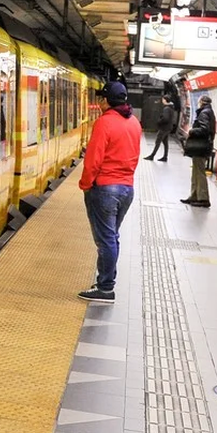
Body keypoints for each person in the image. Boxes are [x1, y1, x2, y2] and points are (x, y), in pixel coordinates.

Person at [77, 82, 142, 303]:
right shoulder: (134, 122)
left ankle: (105, 288)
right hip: (126, 188)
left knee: (105, 240)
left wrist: (86, 184)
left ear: (106, 101)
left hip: (105, 188)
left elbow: (93, 159)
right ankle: (105, 281)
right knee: (111, 237)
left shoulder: (104, 123)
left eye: (101, 98)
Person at [182, 95, 217, 208]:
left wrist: (192, 131)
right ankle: (194, 196)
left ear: (201, 102)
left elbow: (204, 129)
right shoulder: (208, 111)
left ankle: (203, 198)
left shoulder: (204, 113)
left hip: (201, 146)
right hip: (203, 146)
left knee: (199, 172)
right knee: (196, 172)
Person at [144, 95, 177, 162]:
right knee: (165, 142)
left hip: (164, 128)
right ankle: (165, 157)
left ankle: (152, 156)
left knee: (158, 142)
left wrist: (159, 121)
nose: (162, 101)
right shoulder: (171, 107)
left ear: (165, 100)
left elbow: (165, 118)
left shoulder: (166, 108)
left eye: (163, 100)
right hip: (168, 128)